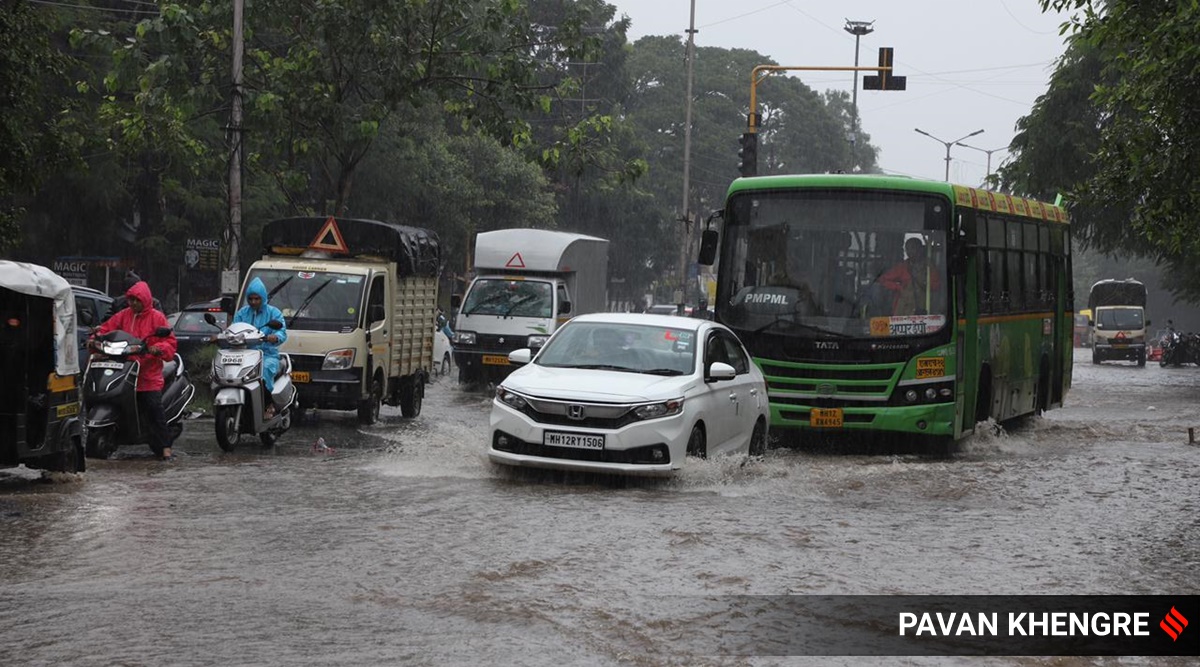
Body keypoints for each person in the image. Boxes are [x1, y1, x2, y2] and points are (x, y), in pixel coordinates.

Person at [91, 280, 178, 460]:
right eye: (130, 300)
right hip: (124, 369)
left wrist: (158, 348)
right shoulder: (123, 315)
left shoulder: (157, 318)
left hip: (147, 374)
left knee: (154, 407)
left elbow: (169, 342)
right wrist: (95, 339)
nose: (133, 303)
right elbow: (106, 329)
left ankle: (165, 447)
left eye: (136, 300)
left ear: (145, 300)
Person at [233, 277, 288, 411]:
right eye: (250, 299)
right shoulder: (242, 313)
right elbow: (234, 328)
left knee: (263, 374)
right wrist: (222, 337)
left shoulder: (273, 313)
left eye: (257, 299)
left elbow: (282, 331)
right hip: (244, 356)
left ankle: (267, 405)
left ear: (263, 298)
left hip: (266, 355)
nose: (253, 302)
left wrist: (274, 337)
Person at [880, 237, 942, 316]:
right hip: (902, 311)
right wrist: (898, 288)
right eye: (907, 249)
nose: (910, 252)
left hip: (924, 311)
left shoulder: (929, 267)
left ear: (920, 249)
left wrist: (924, 284)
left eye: (913, 248)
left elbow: (936, 286)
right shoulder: (902, 267)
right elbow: (882, 279)